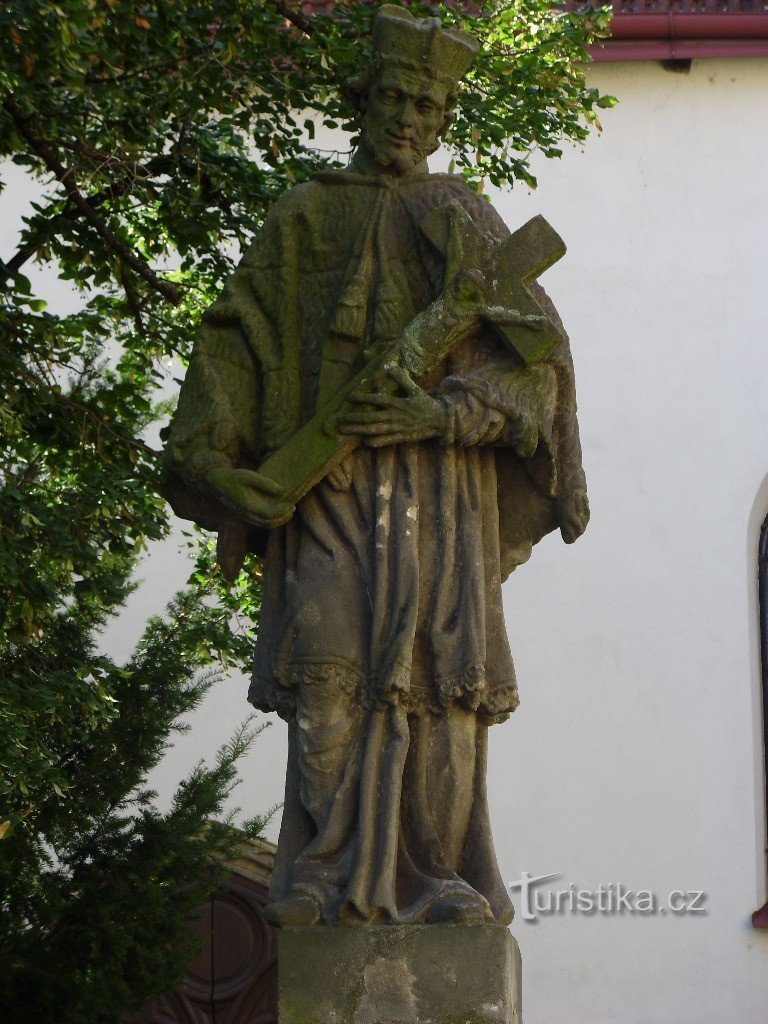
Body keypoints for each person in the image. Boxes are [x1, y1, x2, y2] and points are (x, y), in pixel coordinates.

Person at [162, 5, 589, 928]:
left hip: (438, 496)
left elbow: (537, 374)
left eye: (426, 106)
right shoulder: (305, 213)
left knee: (438, 683)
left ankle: (436, 876)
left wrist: (439, 412)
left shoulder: (465, 220)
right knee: (326, 666)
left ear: (442, 123)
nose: (406, 118)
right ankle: (317, 871)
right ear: (364, 101)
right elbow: (237, 334)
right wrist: (212, 455)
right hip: (324, 485)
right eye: (393, 96)